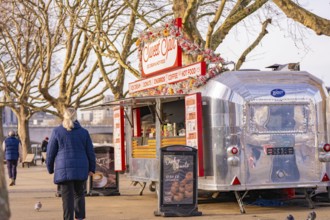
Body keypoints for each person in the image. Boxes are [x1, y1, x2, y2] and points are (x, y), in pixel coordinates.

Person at [46, 108, 96, 220]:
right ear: (76, 117)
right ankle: (80, 218)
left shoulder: (57, 132)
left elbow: (50, 153)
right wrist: (92, 168)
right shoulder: (84, 132)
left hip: (64, 170)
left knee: (67, 198)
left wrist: (50, 168)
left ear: (64, 116)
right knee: (79, 195)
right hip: (81, 169)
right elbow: (90, 152)